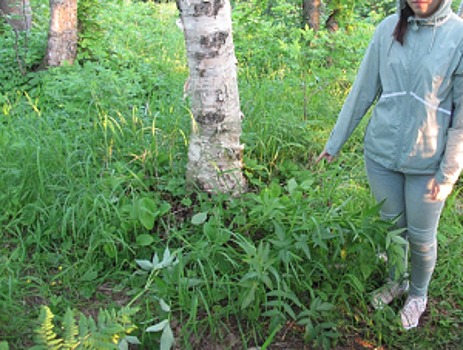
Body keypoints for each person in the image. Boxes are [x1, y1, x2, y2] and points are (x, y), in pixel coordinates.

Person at [316, 0, 463, 330]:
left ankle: (418, 295)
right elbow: (362, 91)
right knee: (392, 229)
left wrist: (449, 171)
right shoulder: (387, 29)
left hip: (429, 161)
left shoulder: (458, 35)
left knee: (421, 237)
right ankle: (397, 281)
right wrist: (334, 143)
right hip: (381, 155)